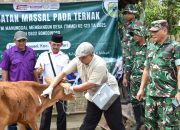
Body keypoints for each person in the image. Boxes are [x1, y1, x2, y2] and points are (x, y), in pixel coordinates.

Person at [41, 42, 125, 130]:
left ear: (91, 55)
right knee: (88, 123)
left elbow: (90, 84)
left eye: (83, 57)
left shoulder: (99, 64)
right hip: (93, 94)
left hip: (108, 92)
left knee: (115, 124)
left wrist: (71, 88)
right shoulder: (78, 60)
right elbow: (63, 73)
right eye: (79, 57)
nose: (81, 60)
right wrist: (51, 87)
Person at [136, 20, 180, 129]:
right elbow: (146, 69)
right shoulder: (151, 47)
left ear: (164, 30)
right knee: (150, 124)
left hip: (169, 96)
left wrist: (179, 92)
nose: (152, 33)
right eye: (151, 31)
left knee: (170, 125)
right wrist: (141, 88)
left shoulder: (175, 47)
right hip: (151, 94)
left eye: (155, 31)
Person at [0, 30, 38, 130]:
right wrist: (4, 86)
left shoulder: (31, 52)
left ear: (26, 41)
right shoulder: (8, 53)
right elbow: (4, 70)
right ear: (14, 41)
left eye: (23, 40)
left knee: (28, 115)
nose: (21, 43)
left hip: (28, 91)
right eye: (19, 41)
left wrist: (37, 84)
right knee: (13, 116)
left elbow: (34, 69)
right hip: (14, 92)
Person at [35, 33, 69, 130]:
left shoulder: (65, 57)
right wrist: (39, 71)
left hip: (60, 88)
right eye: (54, 44)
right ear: (50, 43)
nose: (55, 47)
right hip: (46, 88)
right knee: (46, 113)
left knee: (62, 113)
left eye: (58, 45)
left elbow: (65, 74)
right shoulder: (43, 56)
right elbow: (37, 72)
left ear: (61, 45)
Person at [123, 24, 147, 130]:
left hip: (146, 80)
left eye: (136, 34)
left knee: (146, 101)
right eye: (133, 35)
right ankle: (139, 122)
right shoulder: (132, 47)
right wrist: (125, 76)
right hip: (134, 79)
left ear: (142, 33)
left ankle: (148, 123)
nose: (134, 37)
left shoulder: (150, 47)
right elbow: (128, 62)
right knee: (134, 101)